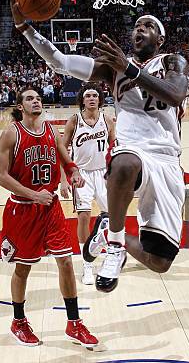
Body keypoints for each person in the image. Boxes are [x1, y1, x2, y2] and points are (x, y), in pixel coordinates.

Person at [10, 0, 189, 293]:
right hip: (133, 149)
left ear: (160, 39)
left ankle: (107, 233)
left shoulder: (172, 62)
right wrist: (24, 27)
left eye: (147, 26)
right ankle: (117, 244)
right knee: (123, 164)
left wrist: (129, 67)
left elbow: (174, 95)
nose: (139, 30)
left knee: (160, 262)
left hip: (167, 160)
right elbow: (60, 61)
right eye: (136, 26)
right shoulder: (112, 70)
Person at [0, 88, 98, 347]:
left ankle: (74, 323)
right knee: (23, 267)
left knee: (65, 261)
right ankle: (18, 321)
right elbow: (1, 176)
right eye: (29, 98)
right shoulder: (11, 133)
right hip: (23, 209)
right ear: (20, 106)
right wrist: (33, 194)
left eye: (38, 98)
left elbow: (67, 160)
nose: (36, 100)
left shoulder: (51, 131)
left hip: (50, 208)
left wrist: (73, 173)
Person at [60, 83, 116, 285]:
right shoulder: (74, 121)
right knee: (83, 216)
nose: (91, 98)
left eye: (95, 95)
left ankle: (111, 255)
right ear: (82, 100)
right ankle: (87, 264)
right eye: (88, 95)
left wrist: (115, 171)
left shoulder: (107, 119)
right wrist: (64, 179)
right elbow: (63, 149)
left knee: (111, 218)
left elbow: (114, 146)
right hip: (81, 174)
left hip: (103, 174)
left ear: (100, 99)